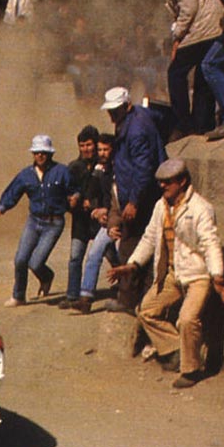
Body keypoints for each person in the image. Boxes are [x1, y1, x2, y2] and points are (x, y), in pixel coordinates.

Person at [108, 159, 224, 388]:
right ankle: (176, 349)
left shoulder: (201, 209)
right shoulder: (160, 207)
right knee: (146, 311)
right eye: (160, 183)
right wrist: (132, 264)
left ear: (182, 181)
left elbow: (210, 244)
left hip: (197, 275)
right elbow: (149, 239)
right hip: (172, 273)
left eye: (167, 182)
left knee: (187, 318)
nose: (163, 186)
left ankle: (191, 369)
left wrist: (217, 278)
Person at [141, 0, 224, 139]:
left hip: (202, 30)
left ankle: (183, 122)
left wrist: (177, 37)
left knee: (176, 73)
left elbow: (189, 8)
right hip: (212, 29)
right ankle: (202, 125)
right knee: (202, 80)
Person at [99, 87, 166, 312]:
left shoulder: (136, 129)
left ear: (126, 107)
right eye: (110, 111)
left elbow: (143, 168)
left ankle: (128, 302)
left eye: (115, 111)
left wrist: (133, 201)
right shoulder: (136, 117)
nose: (111, 116)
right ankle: (142, 300)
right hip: (141, 195)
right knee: (142, 251)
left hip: (142, 200)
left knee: (129, 248)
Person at [0, 135, 78, 307]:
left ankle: (46, 276)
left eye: (43, 152)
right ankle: (19, 296)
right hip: (34, 221)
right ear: (33, 154)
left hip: (54, 223)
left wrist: (75, 197)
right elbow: (12, 193)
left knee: (36, 262)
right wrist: (0, 210)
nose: (40, 156)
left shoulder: (61, 171)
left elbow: (75, 189)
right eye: (37, 152)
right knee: (20, 259)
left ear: (50, 153)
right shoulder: (26, 175)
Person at [75, 133, 119, 313]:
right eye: (100, 149)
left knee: (119, 255)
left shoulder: (120, 168)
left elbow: (119, 198)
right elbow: (92, 192)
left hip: (122, 218)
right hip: (107, 220)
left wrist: (107, 212)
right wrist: (94, 209)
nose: (102, 153)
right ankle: (85, 298)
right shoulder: (100, 169)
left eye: (106, 149)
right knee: (95, 253)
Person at [61, 125, 99, 309]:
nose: (86, 149)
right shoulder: (73, 168)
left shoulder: (105, 165)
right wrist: (72, 203)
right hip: (81, 222)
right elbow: (65, 194)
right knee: (75, 257)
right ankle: (72, 296)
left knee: (112, 256)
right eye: (82, 145)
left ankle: (125, 292)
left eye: (89, 145)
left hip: (101, 221)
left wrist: (94, 204)